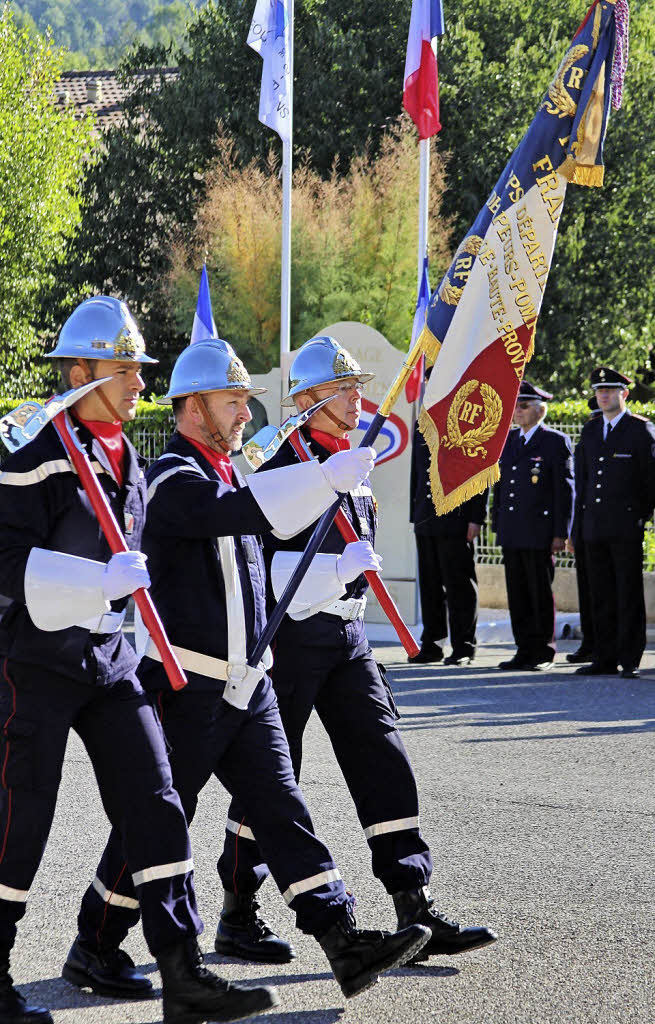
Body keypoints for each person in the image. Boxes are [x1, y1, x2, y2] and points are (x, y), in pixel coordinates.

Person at [67, 337, 431, 1004]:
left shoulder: (230, 472)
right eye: (232, 400)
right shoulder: (175, 476)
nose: (243, 412)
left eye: (244, 401)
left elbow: (260, 543)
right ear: (192, 404)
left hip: (248, 682)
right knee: (154, 826)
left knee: (283, 813)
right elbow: (235, 514)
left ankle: (342, 939)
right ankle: (94, 946)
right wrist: (322, 478)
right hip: (189, 687)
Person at [0, 299, 278, 1024]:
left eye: (139, 370)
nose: (137, 385)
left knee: (157, 804)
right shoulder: (34, 447)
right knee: (20, 817)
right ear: (80, 370)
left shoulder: (123, 453)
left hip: (110, 656)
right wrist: (94, 581)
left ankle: (183, 975)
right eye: (124, 370)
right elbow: (4, 562)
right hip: (36, 657)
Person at [217, 335, 498, 965]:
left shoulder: (354, 455)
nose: (358, 397)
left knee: (383, 760)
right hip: (287, 640)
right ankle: (239, 909)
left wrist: (348, 575)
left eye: (360, 386)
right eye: (345, 388)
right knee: (270, 777)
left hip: (345, 636)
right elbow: (262, 565)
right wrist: (335, 568)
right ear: (309, 398)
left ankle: (413, 904)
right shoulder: (275, 461)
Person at [571, 367, 655, 679]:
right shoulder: (591, 431)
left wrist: (638, 516)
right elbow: (584, 481)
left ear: (625, 393)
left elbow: (650, 482)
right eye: (599, 390)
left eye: (610, 390)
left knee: (627, 592)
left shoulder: (639, 430)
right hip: (594, 526)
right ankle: (603, 656)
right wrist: (578, 526)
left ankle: (629, 658)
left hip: (625, 525)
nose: (603, 395)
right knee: (600, 594)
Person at [493, 380, 574, 671]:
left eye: (523, 406)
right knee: (517, 593)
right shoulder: (509, 441)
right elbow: (500, 487)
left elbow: (564, 491)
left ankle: (544, 650)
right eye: (515, 406)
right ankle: (523, 649)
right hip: (513, 529)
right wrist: (497, 522)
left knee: (540, 591)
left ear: (540, 411)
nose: (517, 411)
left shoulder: (554, 441)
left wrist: (560, 532)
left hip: (539, 532)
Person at [409, 401, 487, 665]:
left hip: (456, 517)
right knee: (429, 585)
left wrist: (476, 517)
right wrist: (415, 513)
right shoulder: (423, 424)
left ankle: (463, 646)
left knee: (459, 585)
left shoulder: (466, 421)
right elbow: (416, 473)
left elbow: (479, 471)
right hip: (426, 517)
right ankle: (432, 643)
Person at [566, 397, 602, 665]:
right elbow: (577, 493)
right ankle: (589, 643)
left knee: (605, 594)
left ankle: (604, 645)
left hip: (606, 529)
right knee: (587, 592)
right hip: (584, 527)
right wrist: (572, 531)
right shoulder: (587, 442)